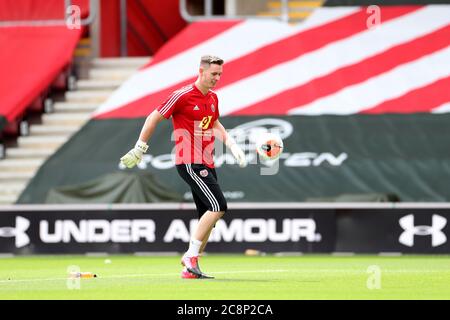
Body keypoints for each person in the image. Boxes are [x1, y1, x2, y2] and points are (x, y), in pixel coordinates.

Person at [120, 55, 247, 279]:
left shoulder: (213, 98)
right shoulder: (182, 95)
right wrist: (140, 148)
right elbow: (153, 117)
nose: (217, 78)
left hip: (207, 161)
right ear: (201, 71)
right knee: (219, 206)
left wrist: (232, 144)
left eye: (220, 74)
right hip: (189, 161)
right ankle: (190, 256)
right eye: (214, 74)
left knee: (208, 218)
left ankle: (191, 268)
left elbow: (214, 122)